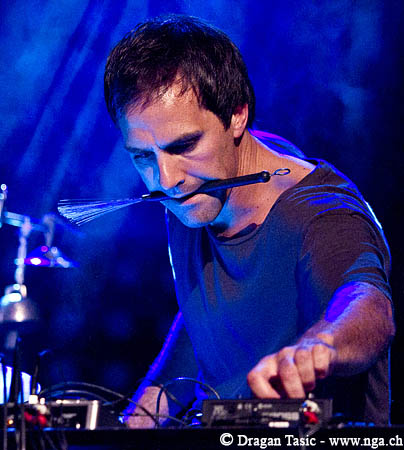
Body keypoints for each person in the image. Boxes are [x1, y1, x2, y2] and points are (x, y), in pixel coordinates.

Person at [104, 15, 395, 426]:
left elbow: (369, 305)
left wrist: (320, 346)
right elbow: (201, 322)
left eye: (184, 146)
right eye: (142, 156)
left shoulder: (321, 214)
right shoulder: (197, 188)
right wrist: (134, 424)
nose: (166, 180)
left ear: (237, 115)